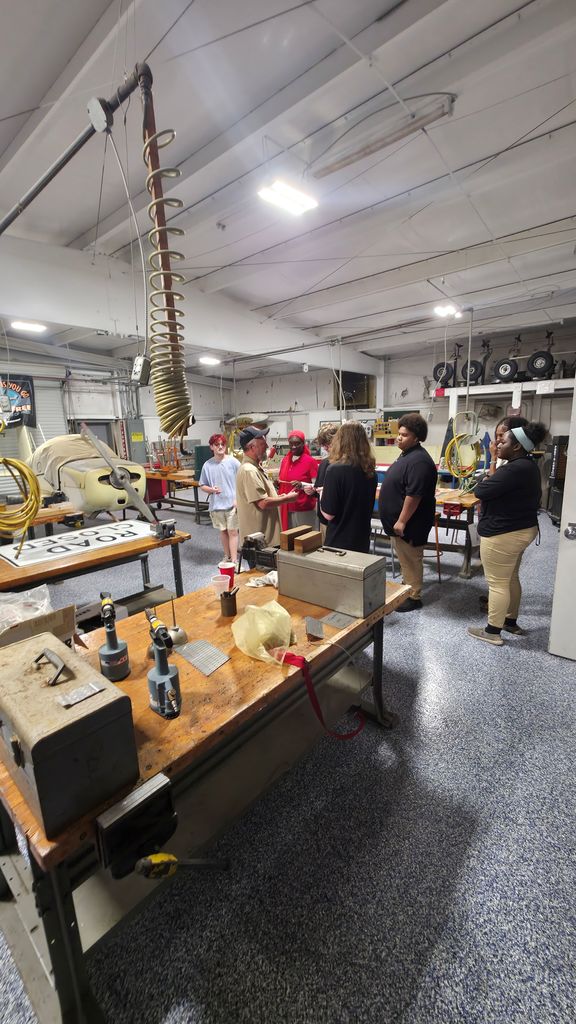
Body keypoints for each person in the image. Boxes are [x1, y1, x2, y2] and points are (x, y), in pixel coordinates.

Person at [468, 420, 547, 646]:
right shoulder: (528, 465)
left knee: (497, 583)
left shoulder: (514, 469)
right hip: (523, 529)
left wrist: (484, 479)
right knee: (511, 577)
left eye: (504, 440)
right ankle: (510, 622)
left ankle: (493, 631)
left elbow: (481, 490)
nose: (498, 443)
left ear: (517, 447)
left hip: (504, 533)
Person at [378, 413, 438, 612]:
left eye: (404, 435)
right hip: (400, 522)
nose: (399, 437)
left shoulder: (419, 461)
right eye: (399, 433)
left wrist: (402, 521)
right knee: (405, 559)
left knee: (411, 559)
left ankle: (414, 595)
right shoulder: (407, 455)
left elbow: (414, 495)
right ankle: (407, 586)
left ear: (416, 437)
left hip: (411, 524)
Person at [235, 426, 301, 549]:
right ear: (252, 447)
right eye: (262, 444)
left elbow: (262, 498)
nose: (267, 447)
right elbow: (263, 503)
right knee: (262, 569)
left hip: (264, 538)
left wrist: (280, 496)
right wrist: (288, 499)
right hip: (260, 542)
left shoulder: (254, 468)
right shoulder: (249, 471)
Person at [320, 421, 377, 554]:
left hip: (339, 541)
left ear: (340, 440)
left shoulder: (334, 470)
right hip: (361, 538)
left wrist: (322, 494)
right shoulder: (370, 470)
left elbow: (329, 514)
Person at [198, 434, 241, 564]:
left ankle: (234, 560)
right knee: (223, 531)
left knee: (232, 531)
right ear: (212, 447)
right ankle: (227, 556)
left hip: (232, 504)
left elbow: (242, 480)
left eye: (222, 444)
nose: (220, 447)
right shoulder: (207, 465)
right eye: (217, 445)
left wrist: (238, 499)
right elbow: (202, 485)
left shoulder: (233, 462)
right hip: (216, 505)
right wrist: (212, 490)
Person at [304, 423, 339, 541]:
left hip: (338, 521)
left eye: (327, 444)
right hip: (324, 521)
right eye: (323, 444)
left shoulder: (343, 465)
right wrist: (312, 490)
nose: (325, 448)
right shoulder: (324, 463)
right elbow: (318, 487)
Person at [277, 430, 318, 530]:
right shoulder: (285, 461)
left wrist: (302, 485)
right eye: (291, 443)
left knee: (306, 540)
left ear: (303, 444)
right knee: (289, 541)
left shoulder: (310, 461)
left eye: (297, 443)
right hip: (287, 507)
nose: (294, 447)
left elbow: (317, 486)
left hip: (304, 509)